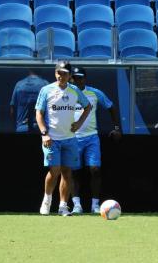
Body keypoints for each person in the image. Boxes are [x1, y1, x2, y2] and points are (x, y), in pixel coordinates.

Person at [36, 61, 92, 216]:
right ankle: (46, 201)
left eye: (64, 73)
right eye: (59, 73)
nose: (61, 76)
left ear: (69, 75)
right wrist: (44, 133)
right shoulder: (46, 90)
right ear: (55, 73)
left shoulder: (74, 91)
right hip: (51, 138)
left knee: (67, 173)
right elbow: (39, 113)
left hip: (70, 139)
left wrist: (79, 122)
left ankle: (62, 207)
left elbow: (88, 106)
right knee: (54, 171)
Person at [70, 67, 122, 214]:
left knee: (95, 170)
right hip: (72, 138)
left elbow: (111, 107)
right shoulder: (66, 94)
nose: (77, 80)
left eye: (80, 78)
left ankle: (95, 205)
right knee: (73, 172)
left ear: (85, 79)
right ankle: (76, 205)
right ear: (71, 79)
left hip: (92, 137)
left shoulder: (94, 93)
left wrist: (117, 128)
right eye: (74, 78)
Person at [10, 68, 49, 133]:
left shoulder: (19, 84)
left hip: (21, 128)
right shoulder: (46, 84)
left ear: (29, 70)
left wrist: (18, 124)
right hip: (40, 128)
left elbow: (12, 110)